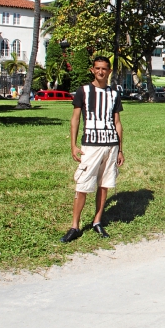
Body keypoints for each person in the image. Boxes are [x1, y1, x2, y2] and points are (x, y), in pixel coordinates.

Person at [61, 56, 125, 243]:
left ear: (109, 71)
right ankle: (75, 226)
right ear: (92, 70)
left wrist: (120, 149)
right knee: (82, 185)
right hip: (90, 144)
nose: (100, 72)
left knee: (104, 184)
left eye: (104, 69)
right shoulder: (83, 91)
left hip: (110, 144)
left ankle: (97, 221)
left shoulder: (114, 94)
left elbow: (117, 123)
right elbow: (75, 119)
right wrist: (73, 145)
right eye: (97, 68)